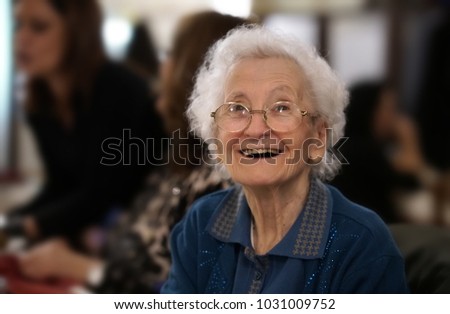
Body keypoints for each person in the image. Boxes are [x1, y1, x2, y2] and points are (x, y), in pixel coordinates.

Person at [14, 11, 250, 293]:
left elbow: (176, 293)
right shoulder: (178, 161)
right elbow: (126, 238)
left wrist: (76, 264)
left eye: (171, 53)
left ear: (198, 72)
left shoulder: (220, 182)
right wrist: (92, 243)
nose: (160, 66)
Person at [161, 26, 409, 293]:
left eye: (281, 107)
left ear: (317, 137)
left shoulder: (360, 245)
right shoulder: (202, 224)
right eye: (237, 108)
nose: (256, 129)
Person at [1, 0, 164, 241]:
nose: (21, 38)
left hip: (147, 232)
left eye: (39, 27)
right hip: (106, 231)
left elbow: (101, 195)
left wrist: (19, 228)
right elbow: (60, 186)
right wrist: (12, 222)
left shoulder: (119, 90)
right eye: (18, 24)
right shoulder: (40, 102)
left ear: (77, 33)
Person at [331, 82, 430, 223]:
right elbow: (412, 179)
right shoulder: (362, 149)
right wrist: (409, 136)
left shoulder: (346, 144)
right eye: (389, 109)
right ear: (370, 110)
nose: (394, 117)